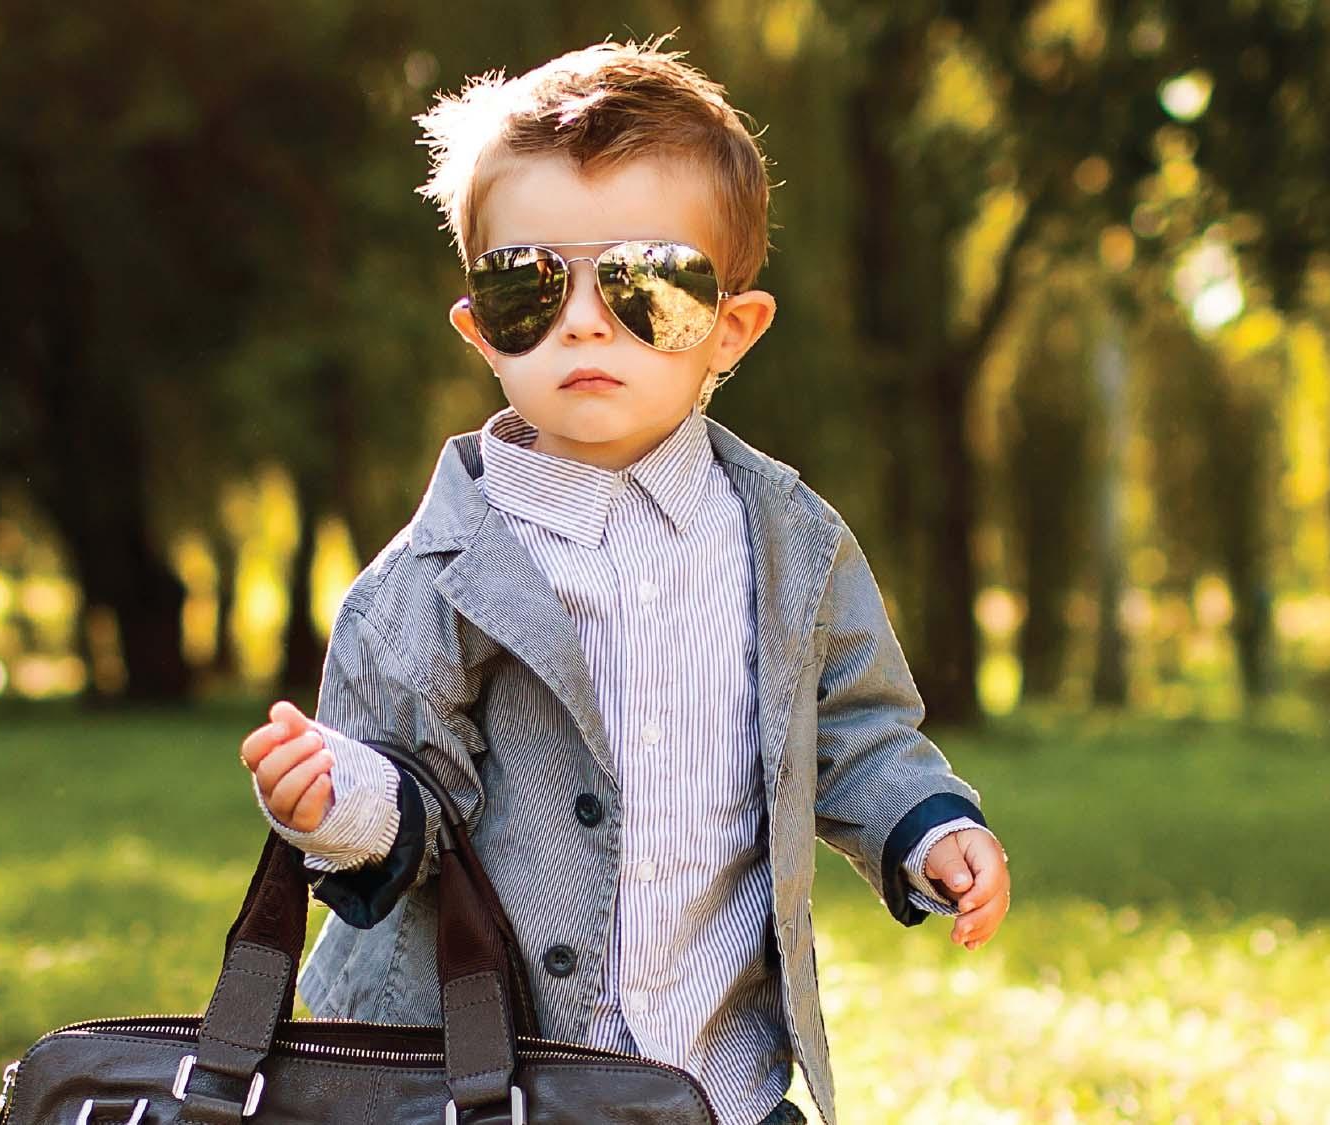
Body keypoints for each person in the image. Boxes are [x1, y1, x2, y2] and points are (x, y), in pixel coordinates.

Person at [234, 35, 1010, 1125]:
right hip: (483, 1078)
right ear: (480, 332)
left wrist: (929, 829)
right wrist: (336, 799)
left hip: (719, 1075)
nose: (586, 318)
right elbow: (411, 789)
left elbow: (854, 732)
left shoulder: (789, 544)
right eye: (527, 287)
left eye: (648, 282)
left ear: (730, 329)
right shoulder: (430, 578)